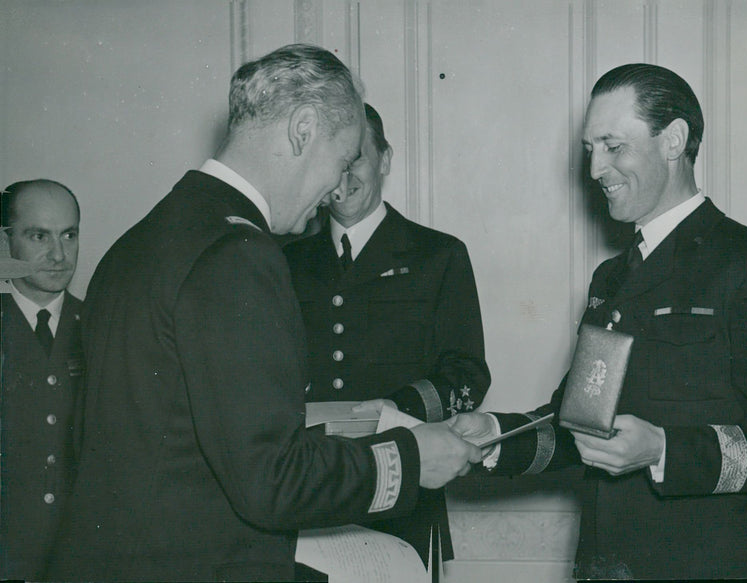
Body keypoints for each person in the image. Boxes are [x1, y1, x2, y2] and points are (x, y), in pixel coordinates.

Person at [47, 44, 481, 582]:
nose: (334, 190)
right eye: (341, 161)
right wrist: (410, 459)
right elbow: (271, 481)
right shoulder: (240, 255)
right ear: (303, 130)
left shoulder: (141, 239)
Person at [451, 63, 747, 582]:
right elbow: (579, 424)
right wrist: (495, 437)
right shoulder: (611, 278)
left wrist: (663, 450)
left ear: (674, 140)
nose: (595, 169)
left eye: (613, 146)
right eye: (591, 148)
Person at [284, 102, 491, 567]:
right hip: (310, 486)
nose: (344, 176)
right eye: (334, 161)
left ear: (385, 159)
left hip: (404, 483)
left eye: (356, 157)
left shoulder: (438, 255)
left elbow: (468, 375)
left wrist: (401, 408)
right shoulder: (286, 261)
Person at [0, 179, 83, 581]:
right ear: (6, 242)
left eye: (69, 235)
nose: (58, 254)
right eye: (38, 236)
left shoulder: (103, 326)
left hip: (77, 558)